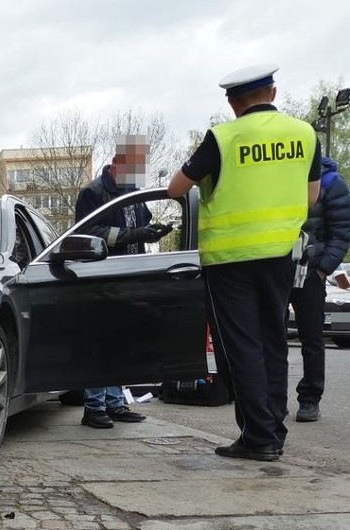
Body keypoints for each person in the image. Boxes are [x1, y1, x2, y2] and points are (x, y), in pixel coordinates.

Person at [167, 64, 321, 461]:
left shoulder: (223, 137)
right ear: (273, 91)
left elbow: (175, 187)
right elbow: (312, 197)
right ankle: (275, 432)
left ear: (233, 103)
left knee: (241, 348)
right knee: (274, 342)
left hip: (229, 260)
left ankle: (259, 437)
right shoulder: (305, 134)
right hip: (279, 255)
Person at [73, 135, 173, 429]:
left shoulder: (133, 192)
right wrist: (137, 235)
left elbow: (139, 225)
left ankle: (115, 404)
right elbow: (90, 232)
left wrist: (151, 232)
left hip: (131, 274)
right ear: (117, 163)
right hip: (103, 277)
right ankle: (94, 407)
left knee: (120, 343)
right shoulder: (92, 193)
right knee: (101, 342)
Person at [290, 157, 350, 422]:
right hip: (276, 269)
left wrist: (323, 268)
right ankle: (272, 399)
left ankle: (310, 399)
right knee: (270, 337)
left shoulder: (331, 182)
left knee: (312, 337)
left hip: (311, 271)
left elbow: (342, 230)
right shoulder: (280, 175)